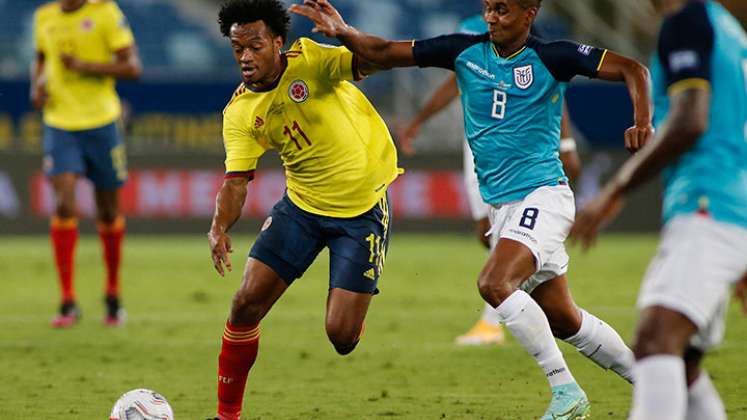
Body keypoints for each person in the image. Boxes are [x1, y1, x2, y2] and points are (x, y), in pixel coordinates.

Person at [291, 0, 650, 418]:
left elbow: (633, 69)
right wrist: (346, 31)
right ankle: (657, 385)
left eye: (502, 10)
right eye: (488, 9)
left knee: (495, 283)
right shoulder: (462, 50)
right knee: (565, 321)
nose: (492, 18)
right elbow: (386, 51)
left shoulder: (554, 57)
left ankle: (565, 392)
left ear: (529, 13)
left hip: (543, 197)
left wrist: (642, 120)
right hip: (503, 208)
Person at [206, 1, 400, 419]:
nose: (245, 57)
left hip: (361, 209)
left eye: (254, 46)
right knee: (244, 304)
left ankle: (355, 306)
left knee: (341, 337)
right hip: (302, 209)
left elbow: (375, 61)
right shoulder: (240, 112)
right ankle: (227, 416)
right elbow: (236, 181)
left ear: (278, 42)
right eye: (237, 48)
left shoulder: (311, 62)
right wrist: (219, 226)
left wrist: (346, 33)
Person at [570, 1, 747, 419]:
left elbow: (690, 120)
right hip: (731, 206)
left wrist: (616, 189)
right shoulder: (728, 29)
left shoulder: (685, 22)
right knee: (682, 363)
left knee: (654, 341)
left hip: (707, 203)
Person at [398, 13, 582, 346]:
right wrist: (420, 119)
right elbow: (454, 80)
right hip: (480, 144)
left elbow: (550, 79)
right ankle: (520, 296)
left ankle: (493, 320)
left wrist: (566, 142)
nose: (493, 14)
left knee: (505, 239)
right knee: (487, 230)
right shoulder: (472, 27)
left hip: (518, 143)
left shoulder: (522, 23)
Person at [31, 0, 141, 328]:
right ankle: (67, 301)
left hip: (102, 123)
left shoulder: (105, 13)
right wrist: (35, 87)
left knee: (107, 211)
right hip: (59, 123)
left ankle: (113, 294)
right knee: (64, 205)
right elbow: (40, 59)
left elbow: (133, 67)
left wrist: (84, 66)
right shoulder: (44, 16)